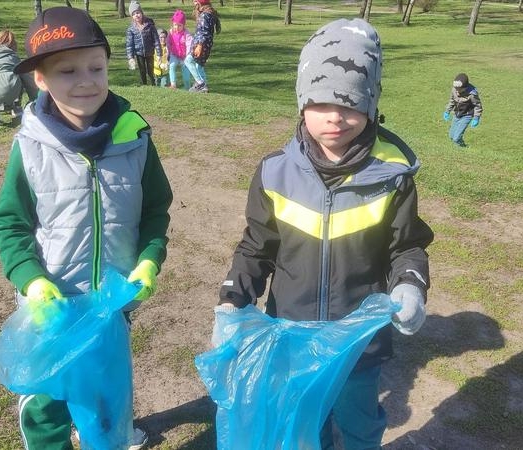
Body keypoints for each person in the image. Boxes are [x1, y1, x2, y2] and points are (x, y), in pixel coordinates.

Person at [216, 18, 434, 449]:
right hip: (292, 337)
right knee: (304, 422)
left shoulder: (392, 177)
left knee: (358, 424)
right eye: (320, 102)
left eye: (352, 103)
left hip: (360, 346)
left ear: (372, 104)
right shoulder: (274, 172)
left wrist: (411, 286)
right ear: (301, 102)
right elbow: (256, 245)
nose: (336, 116)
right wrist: (231, 300)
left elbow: (406, 247)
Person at [0, 7, 172, 450]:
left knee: (106, 391)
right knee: (48, 404)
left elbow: (156, 211)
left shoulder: (135, 138)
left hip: (112, 303)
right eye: (67, 71)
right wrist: (30, 280)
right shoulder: (31, 147)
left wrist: (148, 261)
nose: (86, 80)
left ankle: (110, 436)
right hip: (51, 307)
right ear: (41, 79)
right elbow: (9, 223)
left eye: (97, 67)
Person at [0, 29, 38, 126]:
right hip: (7, 92)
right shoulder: (12, 57)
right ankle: (16, 109)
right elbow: (27, 79)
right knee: (18, 75)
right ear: (12, 43)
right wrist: (34, 97)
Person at [185, 0, 221, 93]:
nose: (193, 3)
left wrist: (199, 46)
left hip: (201, 44)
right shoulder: (209, 13)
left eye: (195, 1)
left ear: (200, 3)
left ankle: (200, 83)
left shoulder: (205, 15)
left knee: (188, 61)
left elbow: (204, 32)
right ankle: (204, 88)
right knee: (199, 65)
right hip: (206, 44)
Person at [126, 1, 162, 86]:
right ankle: (144, 85)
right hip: (139, 53)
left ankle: (153, 84)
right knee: (142, 70)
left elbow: (156, 40)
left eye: (138, 12)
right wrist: (130, 57)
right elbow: (129, 45)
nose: (137, 15)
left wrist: (159, 54)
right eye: (134, 14)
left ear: (141, 13)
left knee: (150, 70)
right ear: (132, 16)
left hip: (150, 52)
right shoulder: (131, 29)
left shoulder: (150, 25)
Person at [443, 73, 483, 147]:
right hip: (457, 114)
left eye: (459, 89)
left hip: (466, 116)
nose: (457, 90)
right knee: (451, 136)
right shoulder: (454, 89)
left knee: (456, 138)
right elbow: (452, 100)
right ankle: (461, 146)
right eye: (456, 88)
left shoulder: (472, 94)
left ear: (465, 87)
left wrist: (476, 118)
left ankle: (462, 149)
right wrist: (447, 111)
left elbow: (477, 106)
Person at [167, 9, 192, 90]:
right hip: (174, 54)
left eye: (179, 25)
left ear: (183, 25)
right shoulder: (171, 32)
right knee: (172, 65)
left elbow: (189, 44)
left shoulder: (186, 33)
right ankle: (173, 84)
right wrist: (170, 52)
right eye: (175, 25)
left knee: (186, 73)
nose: (177, 27)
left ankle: (187, 88)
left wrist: (187, 55)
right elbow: (168, 43)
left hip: (184, 56)